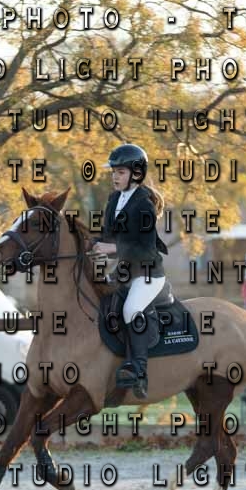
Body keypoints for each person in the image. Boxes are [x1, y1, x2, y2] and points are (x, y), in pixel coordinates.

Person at [90, 142, 169, 399]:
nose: (114, 176)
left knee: (131, 309)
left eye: (120, 172)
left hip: (148, 274)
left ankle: (139, 370)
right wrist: (89, 244)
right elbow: (107, 236)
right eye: (113, 172)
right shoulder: (114, 199)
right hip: (124, 272)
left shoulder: (144, 205)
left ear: (136, 174)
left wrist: (112, 249)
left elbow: (146, 249)